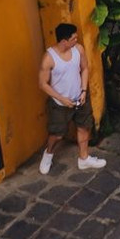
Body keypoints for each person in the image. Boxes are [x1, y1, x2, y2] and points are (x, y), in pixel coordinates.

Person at [39, 23, 103, 172]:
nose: (76, 40)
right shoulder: (49, 58)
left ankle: (84, 159)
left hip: (80, 98)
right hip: (60, 104)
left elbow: (84, 68)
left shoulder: (78, 49)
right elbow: (42, 84)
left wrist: (84, 91)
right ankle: (48, 154)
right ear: (64, 41)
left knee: (84, 127)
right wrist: (62, 99)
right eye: (73, 38)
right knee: (57, 134)